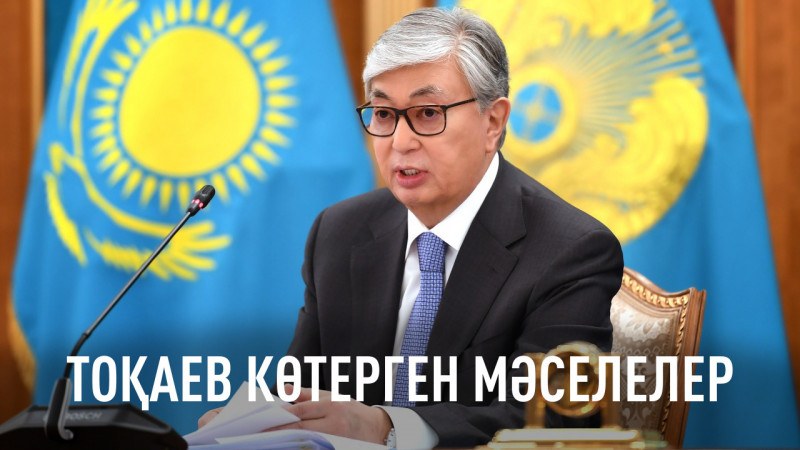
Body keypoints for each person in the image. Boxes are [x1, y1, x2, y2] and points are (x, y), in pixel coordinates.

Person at [199, 7, 623, 448]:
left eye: (428, 113)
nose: (400, 142)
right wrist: (254, 420)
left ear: (493, 122)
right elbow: (305, 385)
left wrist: (386, 427)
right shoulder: (339, 232)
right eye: (383, 114)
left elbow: (552, 418)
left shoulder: (571, 251)